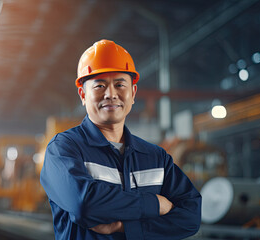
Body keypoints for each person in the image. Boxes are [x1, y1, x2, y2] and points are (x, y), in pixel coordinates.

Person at [40, 39, 201, 240]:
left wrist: (125, 227)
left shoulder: (155, 156)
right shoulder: (63, 149)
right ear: (83, 94)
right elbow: (85, 204)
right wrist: (155, 204)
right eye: (99, 86)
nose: (111, 94)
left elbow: (191, 216)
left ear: (133, 93)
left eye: (119, 84)